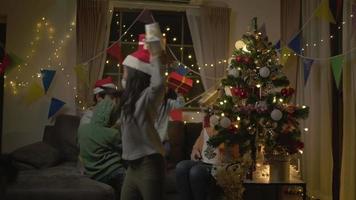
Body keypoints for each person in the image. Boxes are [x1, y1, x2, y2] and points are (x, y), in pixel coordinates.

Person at [119, 31, 166, 200]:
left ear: (134, 73)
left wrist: (154, 54)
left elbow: (159, 82)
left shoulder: (147, 97)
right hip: (132, 167)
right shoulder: (129, 97)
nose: (122, 72)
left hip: (149, 163)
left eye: (125, 69)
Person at [78, 95, 125, 199]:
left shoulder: (82, 129)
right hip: (113, 171)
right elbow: (126, 150)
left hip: (91, 174)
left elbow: (80, 148)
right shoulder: (112, 133)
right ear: (110, 116)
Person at [175, 114, 222, 200]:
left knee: (195, 171)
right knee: (180, 166)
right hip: (201, 161)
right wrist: (195, 151)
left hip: (215, 165)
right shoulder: (204, 130)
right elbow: (196, 147)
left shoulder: (225, 133)